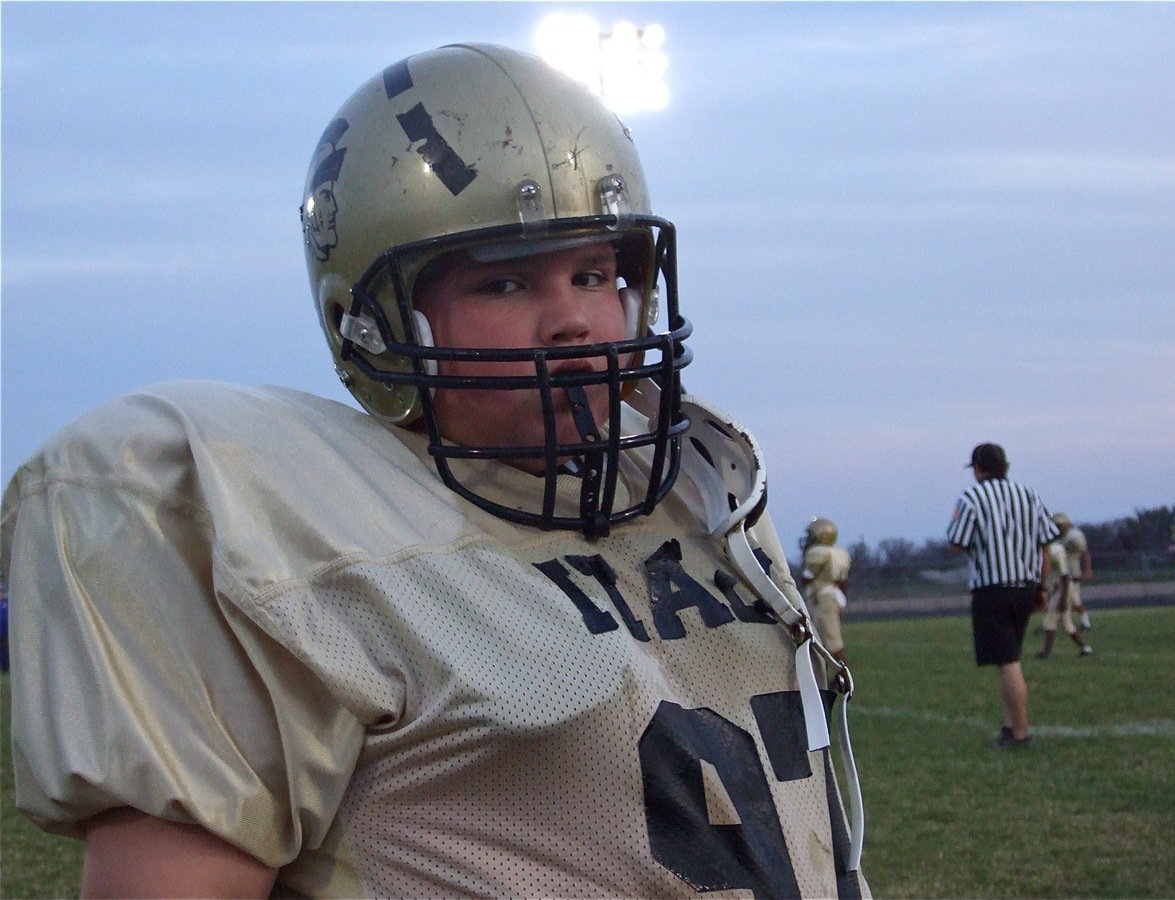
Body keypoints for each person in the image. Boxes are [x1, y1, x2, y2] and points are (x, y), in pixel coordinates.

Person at [0, 44, 868, 898]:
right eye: (504, 285)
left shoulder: (700, 491)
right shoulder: (294, 521)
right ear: (371, 323)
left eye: (595, 272)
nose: (574, 320)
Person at [947, 442, 1059, 749]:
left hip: (993, 589)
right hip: (1026, 585)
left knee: (1008, 661)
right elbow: (1046, 543)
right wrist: (1042, 586)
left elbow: (957, 541)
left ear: (978, 467)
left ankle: (1020, 732)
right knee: (1008, 658)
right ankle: (1010, 726)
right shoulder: (1028, 494)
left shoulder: (973, 496)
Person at [801, 517, 852, 664]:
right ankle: (826, 678)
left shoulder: (816, 553)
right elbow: (843, 582)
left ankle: (843, 678)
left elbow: (805, 579)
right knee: (823, 643)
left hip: (823, 598)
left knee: (832, 643)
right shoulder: (840, 553)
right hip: (834, 595)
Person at [1034, 533, 1094, 658]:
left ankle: (1046, 653)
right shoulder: (1046, 551)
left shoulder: (1055, 552)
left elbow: (1065, 577)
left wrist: (1063, 600)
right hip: (1059, 587)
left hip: (1064, 588)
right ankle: (1085, 648)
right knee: (1067, 624)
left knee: (1050, 621)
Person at [1053, 511, 1095, 630]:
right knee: (1056, 599)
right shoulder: (1054, 537)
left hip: (1072, 571)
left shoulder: (1074, 536)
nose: (1057, 528)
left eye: (1059, 526)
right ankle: (1055, 623)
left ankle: (1086, 622)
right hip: (1058, 571)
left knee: (1074, 599)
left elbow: (1085, 553)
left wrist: (1088, 569)